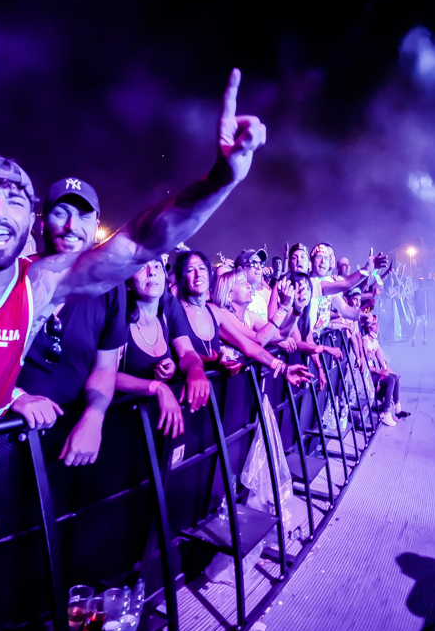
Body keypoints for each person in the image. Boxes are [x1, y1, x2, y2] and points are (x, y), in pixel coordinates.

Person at [0, 69, 267, 473]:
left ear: (28, 220)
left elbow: (139, 243)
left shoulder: (38, 286)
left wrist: (221, 180)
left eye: (14, 201)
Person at [15, 175, 130, 468]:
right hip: (5, 434)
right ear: (42, 223)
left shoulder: (109, 286)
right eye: (60, 212)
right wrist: (15, 397)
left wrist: (94, 415)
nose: (71, 226)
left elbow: (105, 367)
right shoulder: (16, 275)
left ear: (95, 226)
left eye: (83, 215)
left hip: (73, 439)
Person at [113, 259, 211, 438]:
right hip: (122, 421)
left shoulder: (169, 305)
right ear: (128, 282)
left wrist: (195, 370)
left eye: (157, 266)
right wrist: (157, 387)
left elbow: (186, 352)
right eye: (142, 267)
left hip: (159, 422)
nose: (151, 272)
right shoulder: (119, 312)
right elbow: (107, 374)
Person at [175, 251, 292, 377]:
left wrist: (283, 367)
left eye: (202, 268)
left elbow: (248, 346)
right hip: (187, 393)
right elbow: (184, 355)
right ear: (181, 278)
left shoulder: (213, 312)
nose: (198, 274)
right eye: (190, 270)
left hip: (216, 392)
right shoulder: (176, 312)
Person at [361, 313, 409, 425]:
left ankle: (398, 410)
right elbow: (363, 363)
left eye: (377, 324)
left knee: (395, 378)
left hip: (374, 372)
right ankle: (385, 412)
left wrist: (394, 373)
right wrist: (379, 371)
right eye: (374, 324)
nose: (377, 326)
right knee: (390, 380)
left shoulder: (375, 342)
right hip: (366, 375)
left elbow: (383, 364)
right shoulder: (365, 340)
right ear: (368, 327)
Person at [236, 248, 271, 324]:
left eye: (261, 263)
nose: (259, 268)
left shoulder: (261, 300)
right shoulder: (236, 299)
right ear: (240, 269)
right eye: (253, 263)